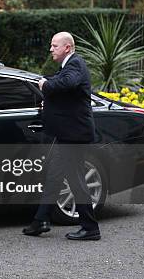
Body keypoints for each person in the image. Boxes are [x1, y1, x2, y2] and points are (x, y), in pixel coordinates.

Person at [22, 31, 101, 241]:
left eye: (54, 46)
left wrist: (44, 86)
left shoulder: (75, 64)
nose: (51, 49)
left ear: (67, 47)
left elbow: (67, 84)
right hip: (67, 135)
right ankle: (40, 221)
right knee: (54, 177)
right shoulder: (67, 66)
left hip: (74, 135)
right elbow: (66, 91)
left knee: (76, 181)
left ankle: (90, 228)